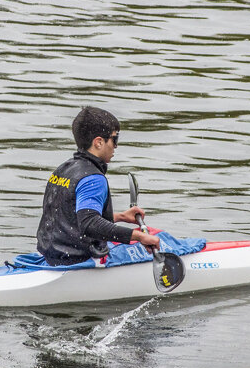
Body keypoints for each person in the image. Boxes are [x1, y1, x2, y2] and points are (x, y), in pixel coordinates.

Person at [37, 106, 161, 266]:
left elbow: (69, 218)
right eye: (114, 140)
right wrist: (139, 237)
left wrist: (120, 217)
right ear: (98, 142)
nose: (115, 146)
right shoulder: (93, 178)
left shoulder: (63, 169)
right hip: (82, 259)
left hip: (53, 255)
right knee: (160, 237)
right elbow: (89, 224)